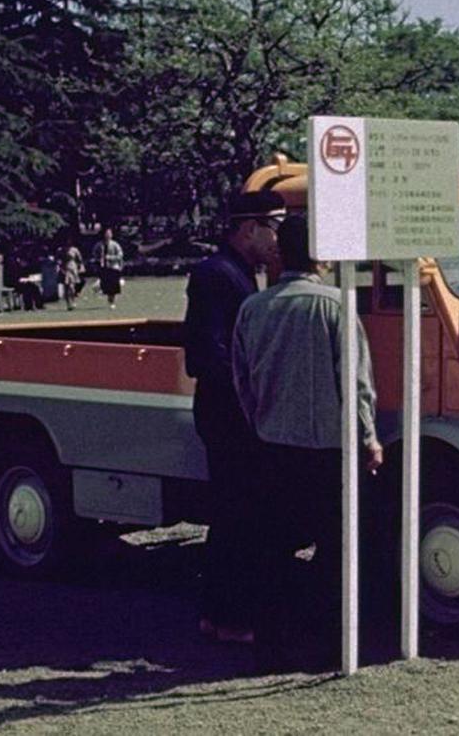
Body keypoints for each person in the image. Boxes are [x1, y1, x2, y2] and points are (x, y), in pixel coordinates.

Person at [232, 214, 383, 668]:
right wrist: (370, 438)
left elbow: (242, 381)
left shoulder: (254, 308)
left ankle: (272, 647)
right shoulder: (337, 306)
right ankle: (330, 645)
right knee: (335, 550)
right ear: (322, 256)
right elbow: (356, 384)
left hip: (272, 445)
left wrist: (260, 422)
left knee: (272, 551)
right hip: (327, 451)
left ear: (282, 253)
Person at [183, 191, 286, 644]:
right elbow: (209, 352)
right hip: (228, 413)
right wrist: (251, 396)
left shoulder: (240, 273)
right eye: (275, 226)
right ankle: (229, 616)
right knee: (236, 514)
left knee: (238, 514)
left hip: (235, 409)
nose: (278, 238)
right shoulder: (215, 275)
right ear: (249, 227)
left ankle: (222, 612)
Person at [91, 228, 124, 309]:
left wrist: (110, 258)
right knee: (106, 285)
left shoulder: (115, 244)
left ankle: (112, 302)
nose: (108, 235)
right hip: (103, 268)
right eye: (107, 233)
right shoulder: (99, 245)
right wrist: (98, 260)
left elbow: (120, 255)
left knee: (113, 286)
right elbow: (94, 254)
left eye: (109, 233)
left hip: (113, 267)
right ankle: (99, 289)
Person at [60, 243, 85, 311]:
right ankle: (68, 304)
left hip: (72, 268)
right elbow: (59, 260)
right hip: (64, 269)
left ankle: (73, 301)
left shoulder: (75, 250)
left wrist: (81, 267)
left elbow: (80, 259)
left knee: (71, 287)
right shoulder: (61, 250)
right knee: (66, 288)